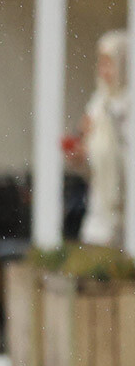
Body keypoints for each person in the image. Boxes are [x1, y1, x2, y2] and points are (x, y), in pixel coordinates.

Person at [78, 30, 127, 249]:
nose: (104, 71)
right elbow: (92, 157)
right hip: (101, 199)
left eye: (110, 64)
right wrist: (81, 151)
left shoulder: (127, 102)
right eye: (102, 64)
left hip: (124, 203)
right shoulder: (98, 101)